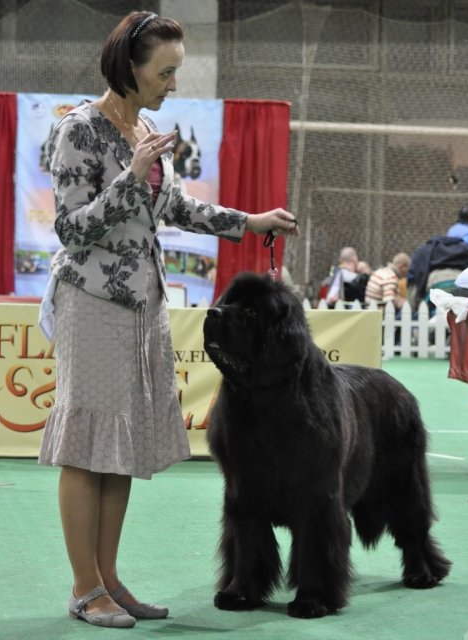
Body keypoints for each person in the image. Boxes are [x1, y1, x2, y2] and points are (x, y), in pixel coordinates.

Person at [37, 11, 298, 629]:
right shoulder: (80, 131)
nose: (173, 82)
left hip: (144, 306)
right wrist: (129, 177)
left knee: (119, 444)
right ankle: (82, 588)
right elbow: (71, 231)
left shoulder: (147, 125)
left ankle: (109, 580)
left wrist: (249, 221)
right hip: (93, 303)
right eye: (166, 71)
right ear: (130, 65)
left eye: (176, 70)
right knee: (86, 447)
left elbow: (172, 205)